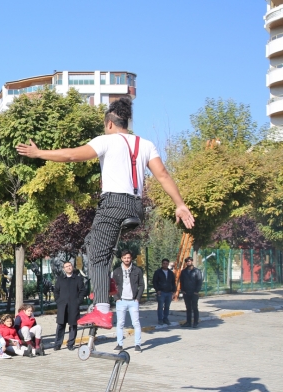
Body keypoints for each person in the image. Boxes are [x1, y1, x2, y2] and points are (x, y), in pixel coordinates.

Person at [17, 97, 195, 329]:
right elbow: (163, 175)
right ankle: (108, 284)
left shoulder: (106, 141)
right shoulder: (146, 144)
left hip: (113, 203)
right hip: (136, 206)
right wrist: (180, 204)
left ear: (109, 123)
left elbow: (72, 155)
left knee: (97, 255)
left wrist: (39, 153)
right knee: (93, 242)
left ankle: (101, 309)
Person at [112, 250, 144, 352]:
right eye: (125, 258)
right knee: (120, 323)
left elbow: (142, 285)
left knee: (136, 323)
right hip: (121, 301)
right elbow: (113, 285)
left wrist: (138, 298)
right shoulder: (116, 271)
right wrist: (116, 298)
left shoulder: (137, 270)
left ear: (131, 258)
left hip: (133, 301)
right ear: (121, 258)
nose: (127, 259)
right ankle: (119, 344)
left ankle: (137, 344)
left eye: (128, 258)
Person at [53, 260, 87, 351]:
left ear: (72, 267)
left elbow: (82, 291)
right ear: (64, 269)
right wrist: (59, 301)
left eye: (70, 265)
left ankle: (70, 344)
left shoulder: (78, 279)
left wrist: (78, 301)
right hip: (62, 306)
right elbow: (56, 291)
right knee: (60, 325)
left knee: (73, 325)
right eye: (66, 266)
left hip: (73, 306)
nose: (69, 267)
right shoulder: (60, 279)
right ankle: (57, 344)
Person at [179, 256, 203, 328]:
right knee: (188, 308)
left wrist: (196, 291)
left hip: (194, 292)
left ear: (192, 261)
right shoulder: (183, 272)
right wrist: (182, 290)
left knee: (195, 308)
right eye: (187, 261)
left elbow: (199, 281)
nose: (188, 262)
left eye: (189, 261)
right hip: (186, 292)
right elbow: (181, 281)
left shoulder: (197, 271)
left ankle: (195, 322)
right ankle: (188, 322)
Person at [152, 258, 176, 326]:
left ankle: (165, 318)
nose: (165, 265)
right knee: (160, 306)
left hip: (169, 292)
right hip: (161, 292)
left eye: (166, 263)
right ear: (162, 264)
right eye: (164, 263)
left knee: (167, 306)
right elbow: (154, 282)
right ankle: (160, 319)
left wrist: (173, 291)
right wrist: (157, 290)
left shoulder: (171, 273)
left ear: (168, 264)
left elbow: (173, 282)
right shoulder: (158, 272)